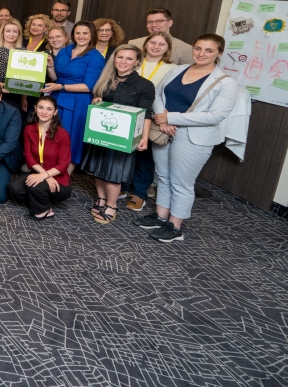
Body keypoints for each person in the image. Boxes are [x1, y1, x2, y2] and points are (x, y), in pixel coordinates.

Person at [140, 34, 238, 242]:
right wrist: (163, 120)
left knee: (181, 182)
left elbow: (215, 116)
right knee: (163, 176)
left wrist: (171, 117)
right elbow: (157, 93)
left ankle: (175, 227)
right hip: (165, 130)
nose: (201, 54)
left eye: (209, 50)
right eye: (198, 48)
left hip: (193, 136)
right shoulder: (178, 70)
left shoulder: (226, 83)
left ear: (219, 53)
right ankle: (161, 216)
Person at [80, 44, 155, 224]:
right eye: (120, 57)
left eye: (129, 58)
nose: (123, 61)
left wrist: (144, 137)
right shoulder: (106, 79)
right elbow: (103, 103)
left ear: (137, 61)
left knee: (113, 172)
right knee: (98, 168)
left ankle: (112, 205)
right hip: (101, 132)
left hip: (123, 136)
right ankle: (102, 199)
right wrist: (98, 101)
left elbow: (146, 113)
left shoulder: (144, 85)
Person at [43, 21, 105, 173]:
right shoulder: (65, 50)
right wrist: (50, 66)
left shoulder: (95, 57)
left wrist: (61, 86)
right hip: (57, 97)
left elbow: (88, 86)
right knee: (52, 134)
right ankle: (49, 169)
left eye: (85, 33)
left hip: (78, 101)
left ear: (92, 35)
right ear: (72, 35)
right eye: (78, 33)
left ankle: (65, 175)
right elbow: (56, 77)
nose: (81, 36)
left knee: (71, 138)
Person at [125, 32, 176, 211]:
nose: (156, 46)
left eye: (161, 44)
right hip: (127, 114)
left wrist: (164, 116)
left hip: (152, 116)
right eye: (152, 42)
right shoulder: (133, 61)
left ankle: (139, 193)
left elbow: (169, 95)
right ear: (145, 44)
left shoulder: (172, 69)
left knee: (144, 157)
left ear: (168, 48)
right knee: (124, 153)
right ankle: (123, 186)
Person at [9, 96, 71, 219]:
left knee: (34, 187)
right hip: (38, 174)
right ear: (35, 108)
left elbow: (64, 164)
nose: (44, 112)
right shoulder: (29, 129)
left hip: (58, 181)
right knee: (14, 188)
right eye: (41, 107)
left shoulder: (62, 134)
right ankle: (41, 199)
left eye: (49, 109)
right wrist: (44, 175)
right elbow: (29, 156)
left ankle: (44, 211)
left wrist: (46, 176)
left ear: (55, 112)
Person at [128, 7, 194, 65]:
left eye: (159, 21)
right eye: (150, 22)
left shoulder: (185, 49)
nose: (153, 25)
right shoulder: (134, 44)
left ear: (170, 23)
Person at [0, 18, 24, 88]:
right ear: (2, 32)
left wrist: (24, 98)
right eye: (8, 31)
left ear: (19, 33)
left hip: (17, 87)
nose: (11, 35)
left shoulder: (23, 51)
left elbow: (26, 76)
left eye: (15, 31)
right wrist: (0, 84)